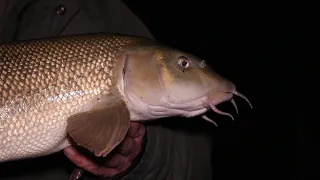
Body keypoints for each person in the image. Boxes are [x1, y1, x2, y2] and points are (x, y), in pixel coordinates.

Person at [0, 0, 213, 179]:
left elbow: (195, 163)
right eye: (182, 64)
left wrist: (143, 156)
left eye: (182, 64)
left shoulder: (89, 12)